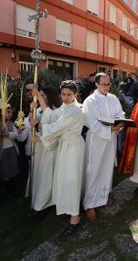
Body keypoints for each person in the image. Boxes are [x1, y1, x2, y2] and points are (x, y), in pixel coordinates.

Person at [39, 80, 85, 238]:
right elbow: (52, 115)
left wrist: (39, 129)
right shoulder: (66, 107)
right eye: (63, 94)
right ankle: (68, 208)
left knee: (71, 180)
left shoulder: (74, 111)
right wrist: (39, 97)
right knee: (64, 178)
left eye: (69, 95)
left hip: (73, 147)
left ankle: (75, 218)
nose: (65, 98)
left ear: (75, 95)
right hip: (65, 146)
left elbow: (55, 128)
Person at [82, 73, 125, 221]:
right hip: (96, 140)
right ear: (97, 84)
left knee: (106, 168)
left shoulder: (113, 98)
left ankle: (103, 197)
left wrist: (119, 123)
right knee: (93, 171)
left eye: (108, 84)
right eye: (104, 84)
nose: (107, 87)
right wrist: (110, 129)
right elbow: (92, 123)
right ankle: (89, 204)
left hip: (110, 139)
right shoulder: (90, 101)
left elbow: (120, 113)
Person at [22, 86, 62, 211]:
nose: (41, 97)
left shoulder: (57, 111)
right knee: (38, 172)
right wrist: (31, 112)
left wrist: (39, 135)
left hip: (49, 147)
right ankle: (37, 196)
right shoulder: (38, 109)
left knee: (47, 174)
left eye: (43, 95)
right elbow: (28, 125)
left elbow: (56, 131)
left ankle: (45, 201)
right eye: (41, 95)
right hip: (38, 147)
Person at [0, 106, 21, 197]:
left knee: (13, 169)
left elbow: (16, 134)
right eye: (8, 112)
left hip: (11, 148)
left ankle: (14, 190)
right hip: (0, 150)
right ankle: (7, 191)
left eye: (11, 113)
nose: (10, 114)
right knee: (4, 170)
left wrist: (7, 134)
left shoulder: (10, 123)